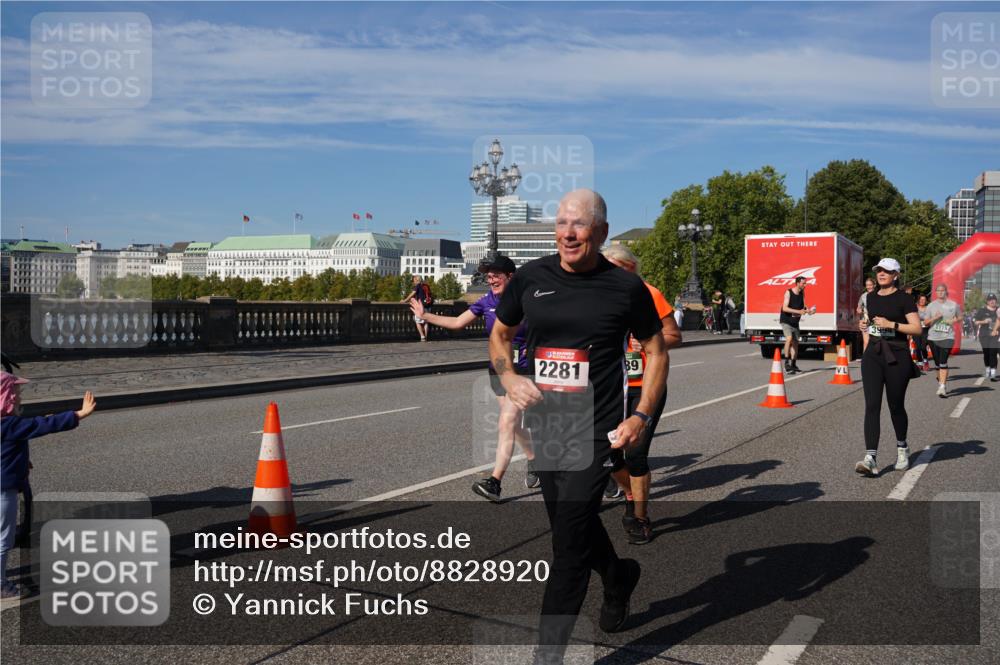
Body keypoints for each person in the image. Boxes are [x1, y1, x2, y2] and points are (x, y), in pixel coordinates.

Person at [490, 189, 667, 654]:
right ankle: (618, 576)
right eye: (562, 223)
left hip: (597, 429)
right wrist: (508, 376)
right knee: (576, 525)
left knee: (567, 550)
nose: (568, 233)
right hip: (548, 427)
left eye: (580, 225)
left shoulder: (626, 288)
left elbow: (656, 351)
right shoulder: (530, 278)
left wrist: (641, 416)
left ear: (602, 232)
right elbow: (500, 334)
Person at [409, 256, 537, 499]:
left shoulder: (528, 300)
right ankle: (534, 459)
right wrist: (425, 316)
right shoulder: (486, 301)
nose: (491, 280)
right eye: (488, 276)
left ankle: (494, 481)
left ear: (511, 276)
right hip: (498, 369)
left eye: (496, 275)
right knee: (514, 424)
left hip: (523, 370)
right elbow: (458, 322)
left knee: (507, 421)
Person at [601, 245, 682, 545]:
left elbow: (674, 335)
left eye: (615, 267)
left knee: (635, 452)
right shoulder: (598, 298)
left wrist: (643, 342)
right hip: (611, 387)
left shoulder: (650, 293)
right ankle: (630, 492)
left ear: (631, 268)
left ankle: (639, 515)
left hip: (644, 387)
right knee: (606, 453)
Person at [1, 373, 97, 598]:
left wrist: (21, 461)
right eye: (15, 392)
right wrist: (79, 414)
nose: (19, 396)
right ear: (6, 397)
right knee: (4, 538)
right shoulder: (9, 424)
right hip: (4, 491)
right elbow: (43, 424)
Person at [855, 258, 922, 477]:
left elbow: (917, 329)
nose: (881, 273)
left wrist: (891, 324)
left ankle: (902, 448)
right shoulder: (870, 297)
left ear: (896, 275)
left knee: (895, 405)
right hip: (873, 355)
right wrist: (864, 325)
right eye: (879, 270)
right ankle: (871, 458)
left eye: (887, 271)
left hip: (898, 356)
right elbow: (871, 322)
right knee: (872, 405)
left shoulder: (904, 299)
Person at [924, 284, 961, 398]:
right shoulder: (930, 306)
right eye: (938, 291)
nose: (940, 292)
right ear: (936, 292)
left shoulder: (953, 305)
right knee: (937, 363)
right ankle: (941, 381)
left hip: (947, 337)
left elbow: (960, 317)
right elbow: (926, 322)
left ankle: (942, 387)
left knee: (943, 362)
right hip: (933, 338)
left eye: (942, 290)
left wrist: (952, 320)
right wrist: (935, 317)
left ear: (946, 292)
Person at [780, 276, 813, 374]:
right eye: (803, 283)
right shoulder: (788, 292)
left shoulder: (802, 293)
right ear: (798, 283)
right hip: (786, 320)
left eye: (805, 283)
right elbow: (785, 308)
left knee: (795, 343)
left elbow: (804, 307)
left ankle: (793, 364)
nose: (805, 285)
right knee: (789, 338)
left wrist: (810, 311)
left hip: (795, 322)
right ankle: (786, 363)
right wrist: (798, 311)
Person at [972, 293, 999, 381]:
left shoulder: (998, 311)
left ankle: (993, 373)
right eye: (990, 300)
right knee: (986, 353)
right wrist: (984, 321)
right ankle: (988, 368)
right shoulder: (982, 311)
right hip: (984, 335)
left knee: (993, 352)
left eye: (994, 299)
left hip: (996, 335)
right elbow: (975, 322)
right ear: (987, 302)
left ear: (996, 301)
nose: (992, 301)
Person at [401, 275, 432, 342]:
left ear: (417, 280)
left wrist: (405, 300)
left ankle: (422, 336)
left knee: (417, 321)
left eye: (414, 280)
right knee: (426, 322)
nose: (413, 282)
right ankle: (426, 337)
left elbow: (412, 294)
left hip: (420, 306)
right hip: (428, 306)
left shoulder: (418, 286)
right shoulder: (426, 286)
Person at [857, 277, 876, 351]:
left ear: (874, 285)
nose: (868, 287)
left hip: (876, 320)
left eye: (870, 285)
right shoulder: (863, 296)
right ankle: (865, 360)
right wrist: (859, 310)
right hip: (866, 320)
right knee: (866, 342)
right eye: (867, 285)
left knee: (877, 341)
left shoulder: (879, 294)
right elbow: (858, 307)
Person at [915, 293, 931, 370]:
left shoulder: (929, 308)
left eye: (924, 299)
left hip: (926, 329)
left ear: (926, 301)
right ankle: (920, 363)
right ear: (918, 300)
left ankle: (925, 360)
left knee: (923, 347)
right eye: (921, 299)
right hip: (916, 329)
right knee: (917, 347)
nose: (922, 301)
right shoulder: (914, 308)